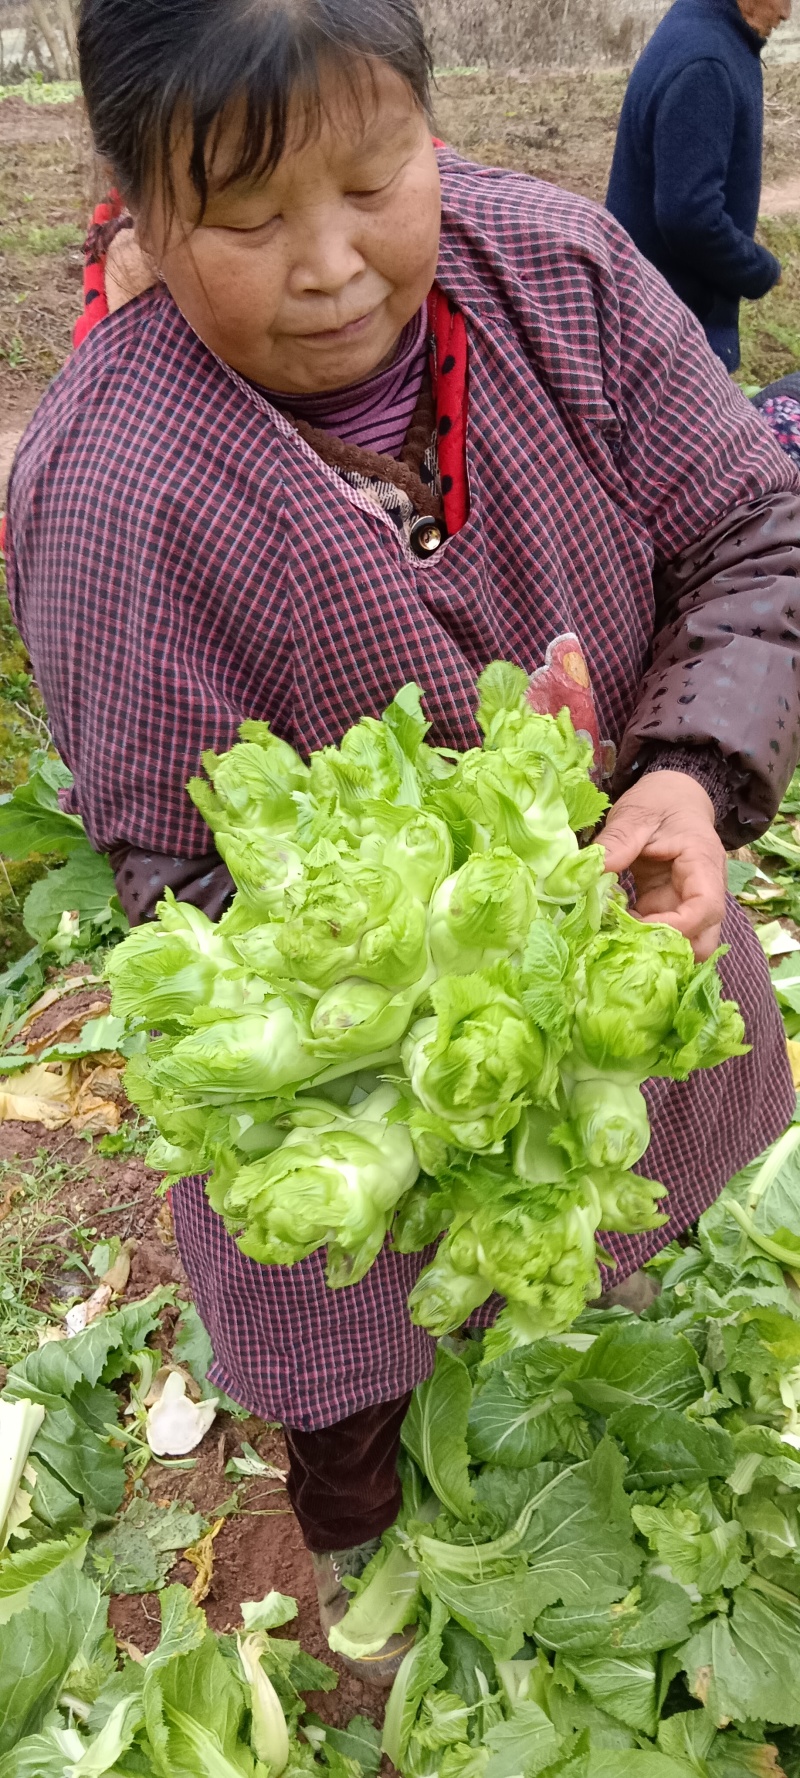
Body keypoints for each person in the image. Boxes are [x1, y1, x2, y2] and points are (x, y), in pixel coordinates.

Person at [5, 0, 800, 1684]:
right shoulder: (113, 490)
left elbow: (756, 526)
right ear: (136, 208)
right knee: (345, 1317)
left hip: (634, 918)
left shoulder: (559, 278)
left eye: (376, 179)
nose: (332, 266)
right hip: (346, 1071)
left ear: (431, 129)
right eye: (244, 215)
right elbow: (177, 898)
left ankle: (586, 1333)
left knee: (627, 1191)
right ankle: (361, 1528)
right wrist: (411, 989)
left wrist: (685, 773)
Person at [606, 0, 791, 372]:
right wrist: (759, 270)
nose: (787, 13)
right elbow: (689, 216)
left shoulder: (703, 29)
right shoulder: (706, 63)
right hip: (671, 341)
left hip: (656, 321)